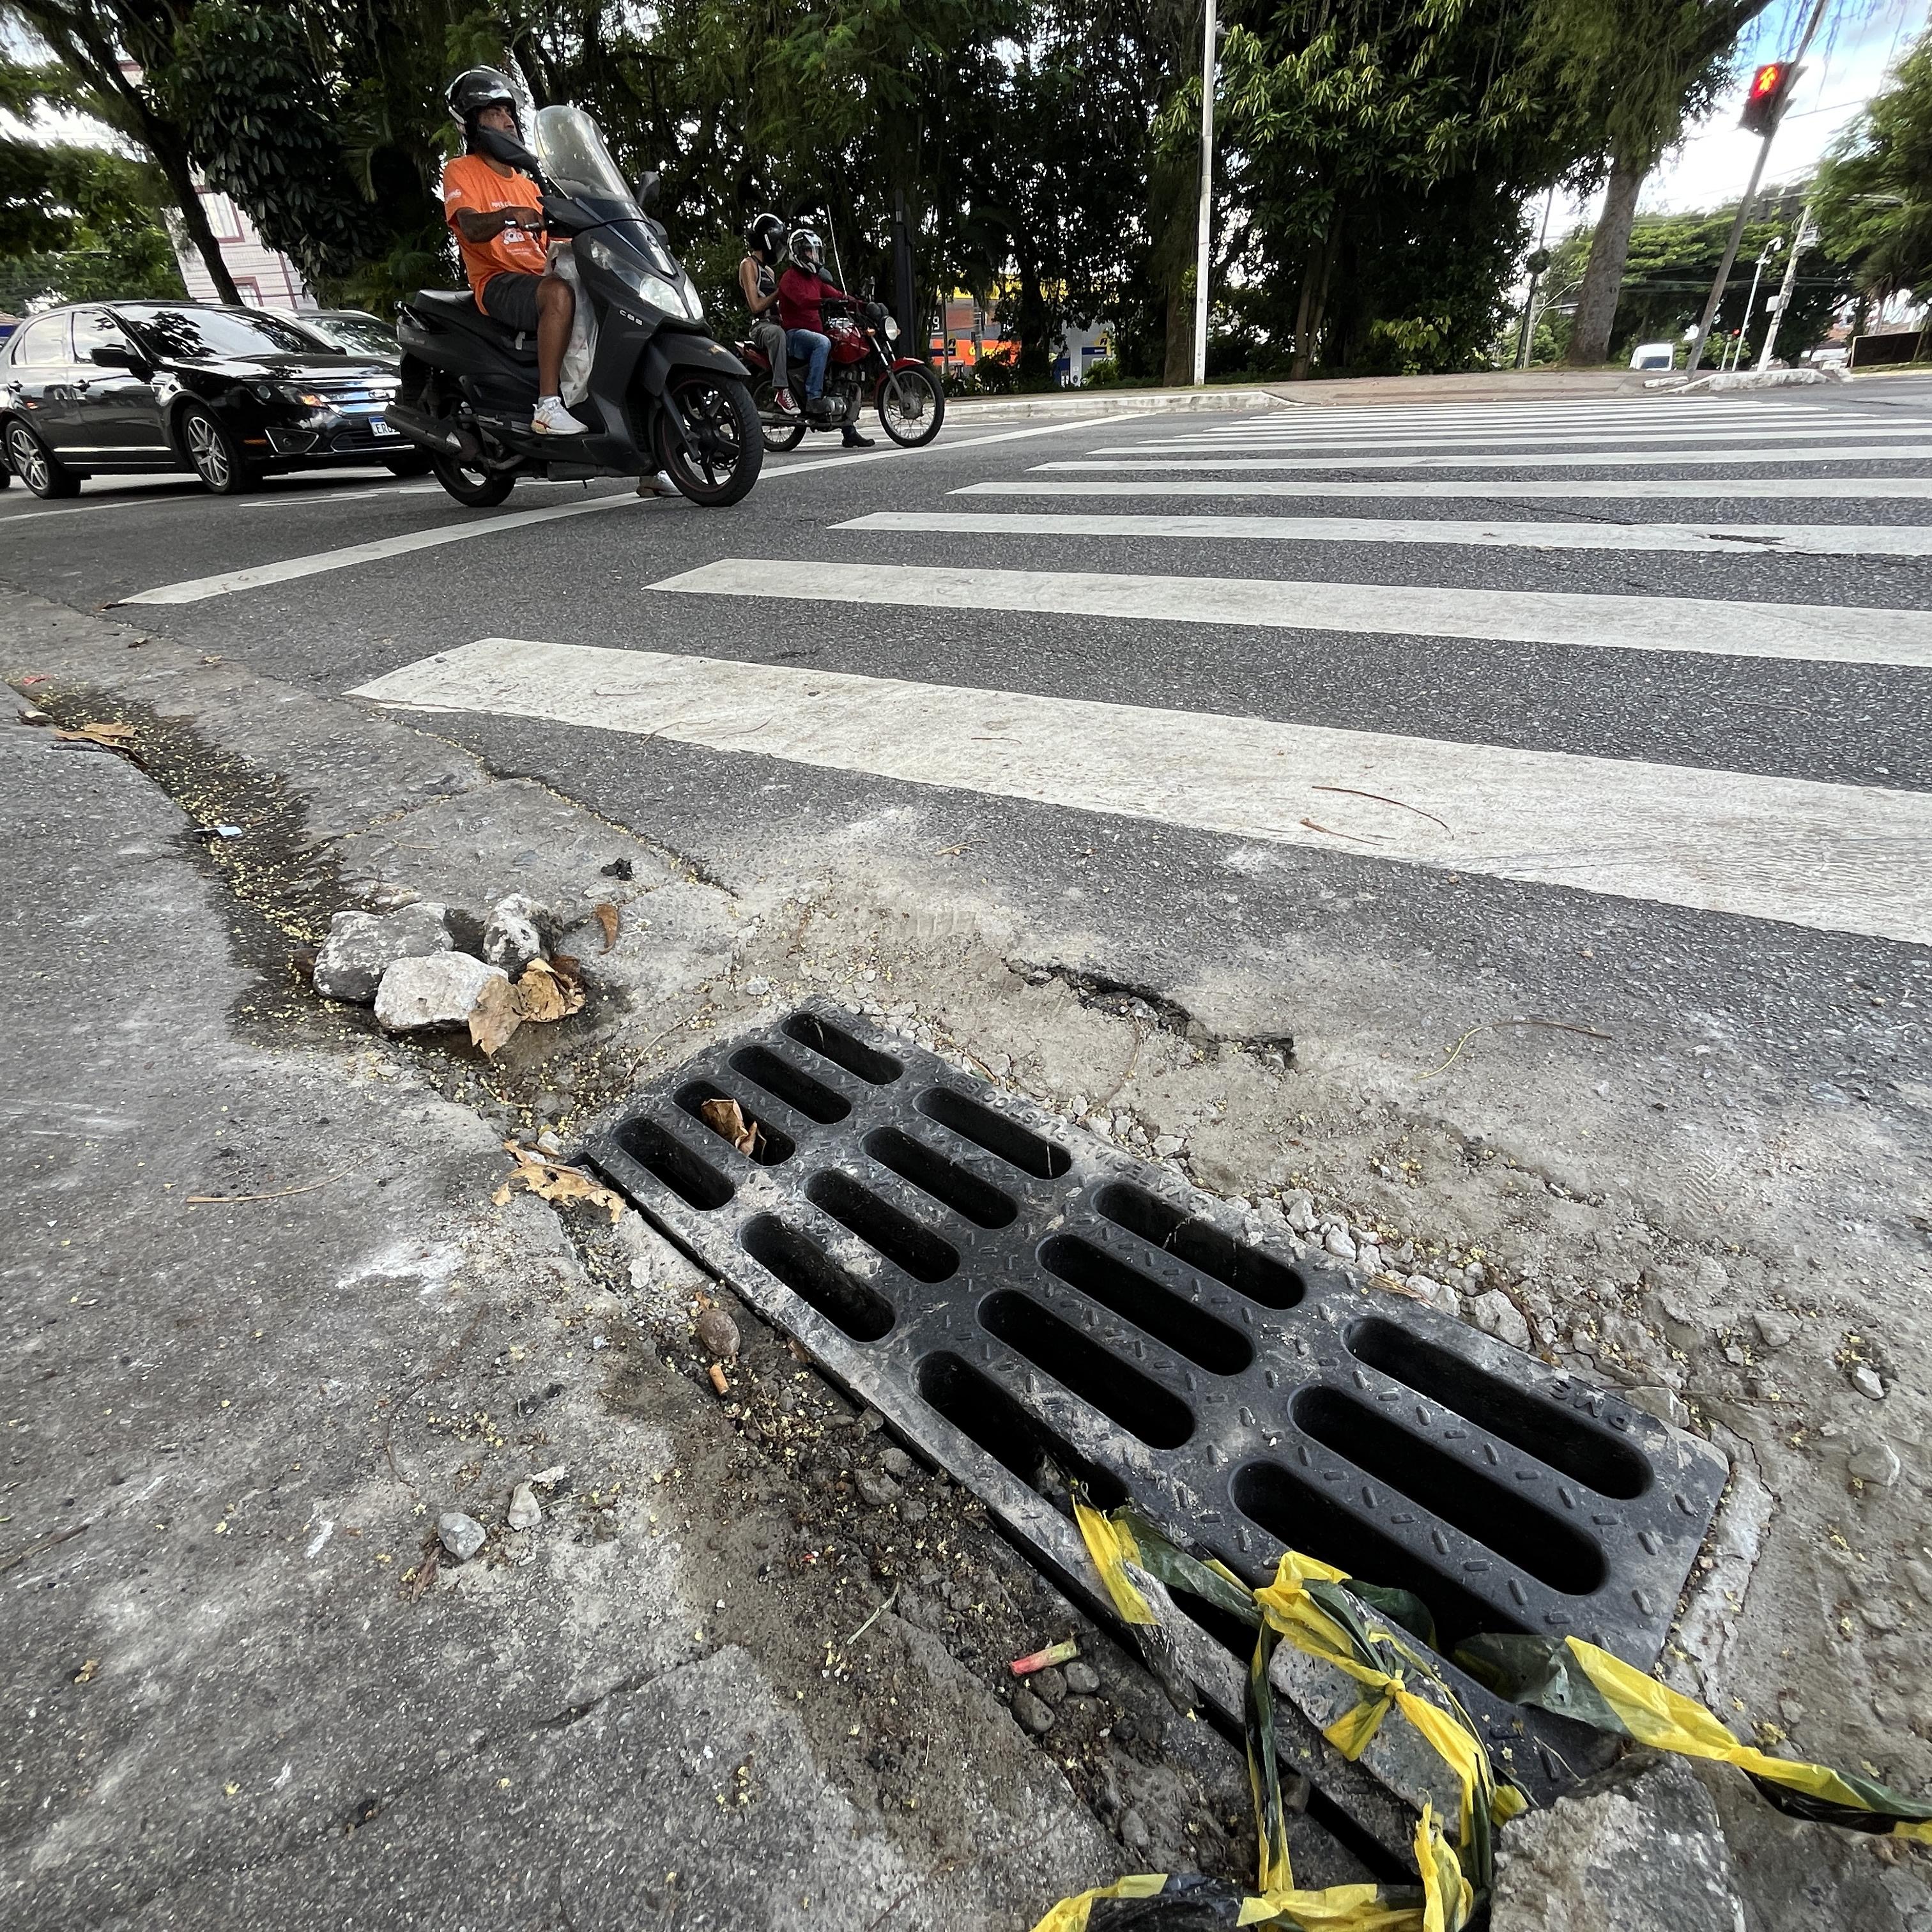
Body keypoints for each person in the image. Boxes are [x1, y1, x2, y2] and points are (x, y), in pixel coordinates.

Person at [440, 68, 585, 437]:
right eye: (495, 112)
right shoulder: (461, 171)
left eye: (509, 111)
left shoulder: (526, 181)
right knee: (558, 293)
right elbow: (470, 227)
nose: (507, 121)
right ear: (472, 124)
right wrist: (507, 215)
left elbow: (553, 239)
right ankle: (548, 406)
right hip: (496, 282)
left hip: (537, 274)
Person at [776, 226, 874, 448]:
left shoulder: (816, 280)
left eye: (816, 252)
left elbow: (837, 295)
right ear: (799, 253)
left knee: (843, 346)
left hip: (814, 334)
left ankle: (848, 429)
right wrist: (824, 303)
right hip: (795, 336)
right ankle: (813, 398)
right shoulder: (789, 278)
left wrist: (862, 304)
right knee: (823, 342)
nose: (814, 256)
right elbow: (803, 301)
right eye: (810, 252)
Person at [740, 213, 797, 417]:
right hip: (762, 327)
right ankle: (782, 390)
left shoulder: (771, 272)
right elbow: (755, 306)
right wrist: (779, 293)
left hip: (777, 323)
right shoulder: (749, 265)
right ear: (768, 241)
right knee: (777, 334)